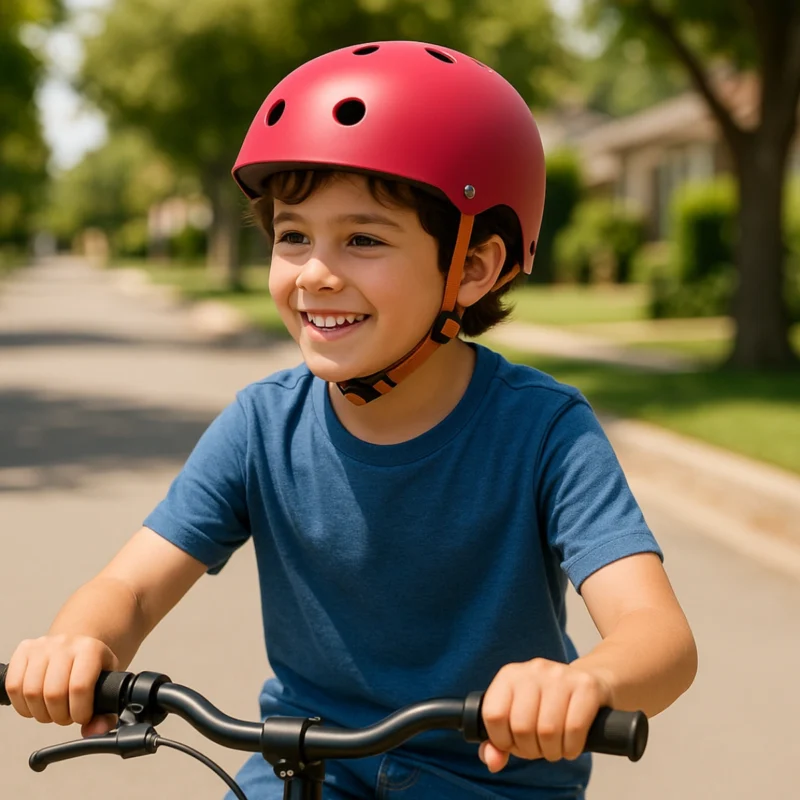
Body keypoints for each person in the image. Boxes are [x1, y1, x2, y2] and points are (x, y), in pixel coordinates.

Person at [5, 41, 697, 799]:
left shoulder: (544, 433)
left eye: (363, 239)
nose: (315, 272)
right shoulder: (262, 426)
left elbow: (658, 636)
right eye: (293, 235)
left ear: (472, 268)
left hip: (491, 782)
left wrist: (585, 682)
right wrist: (78, 641)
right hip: (303, 766)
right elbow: (132, 587)